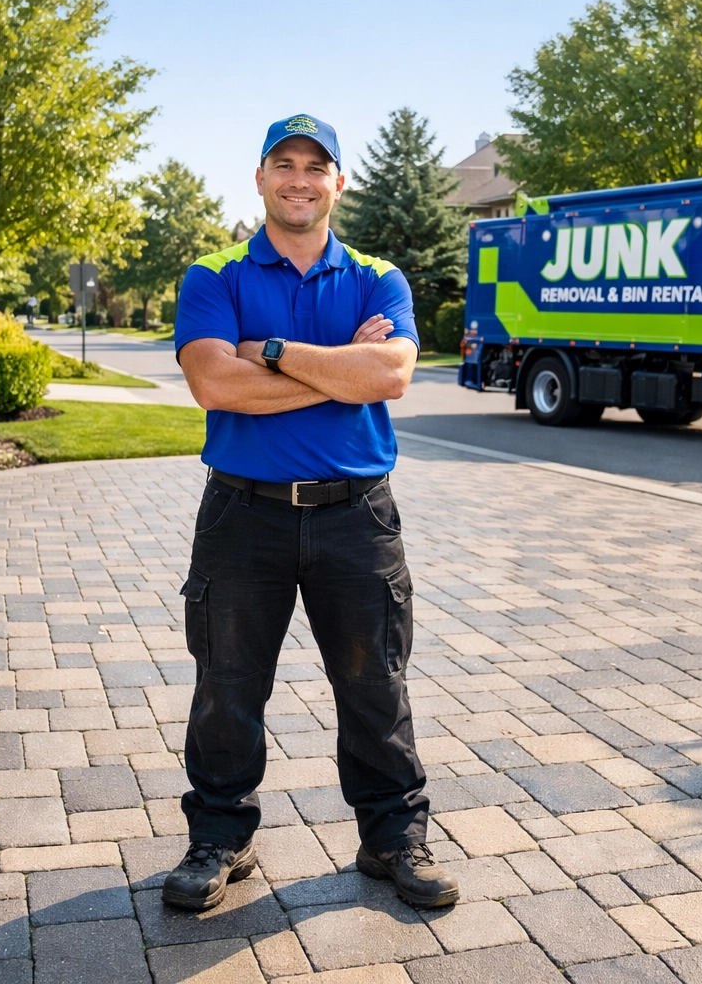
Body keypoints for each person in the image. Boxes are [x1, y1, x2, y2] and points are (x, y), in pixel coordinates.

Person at [164, 114, 457, 911]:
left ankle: (393, 837)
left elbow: (389, 377)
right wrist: (339, 372)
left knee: (375, 684)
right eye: (284, 164)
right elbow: (213, 385)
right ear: (260, 178)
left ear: (338, 183)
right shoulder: (214, 275)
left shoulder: (377, 276)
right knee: (226, 686)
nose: (300, 179)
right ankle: (219, 836)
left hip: (357, 516)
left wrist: (269, 352)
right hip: (242, 514)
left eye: (315, 166)